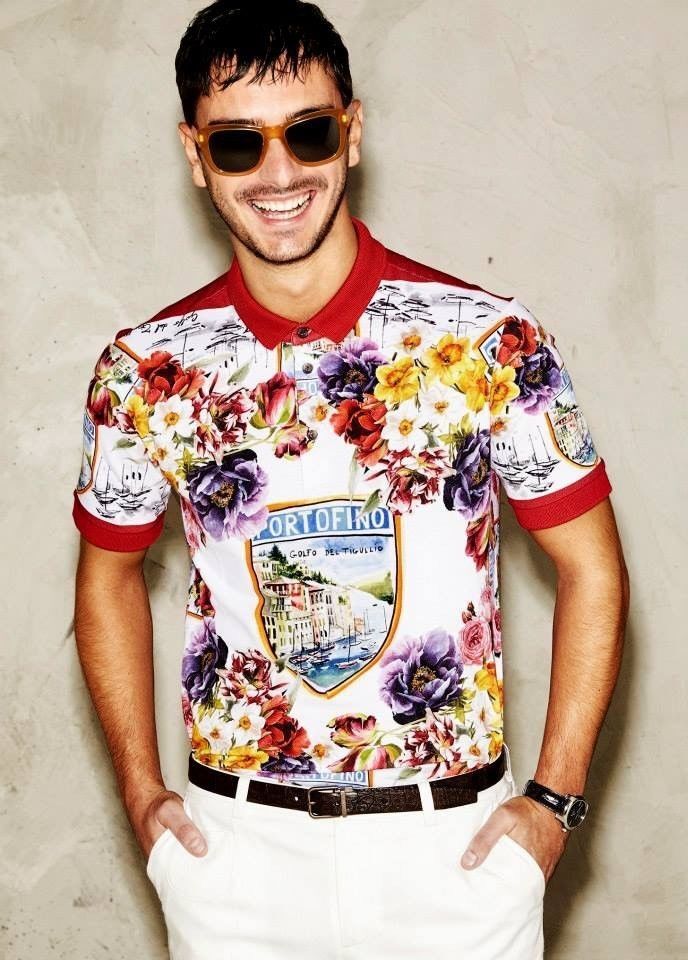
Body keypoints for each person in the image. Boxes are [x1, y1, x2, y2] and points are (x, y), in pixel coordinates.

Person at [72, 2, 630, 958]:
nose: (279, 172)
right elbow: (105, 579)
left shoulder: (487, 341)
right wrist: (141, 795)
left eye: (309, 133)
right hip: (235, 859)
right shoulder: (145, 369)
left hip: (455, 855)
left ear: (353, 132)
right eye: (238, 143)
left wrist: (554, 804)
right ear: (195, 155)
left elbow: (595, 569)